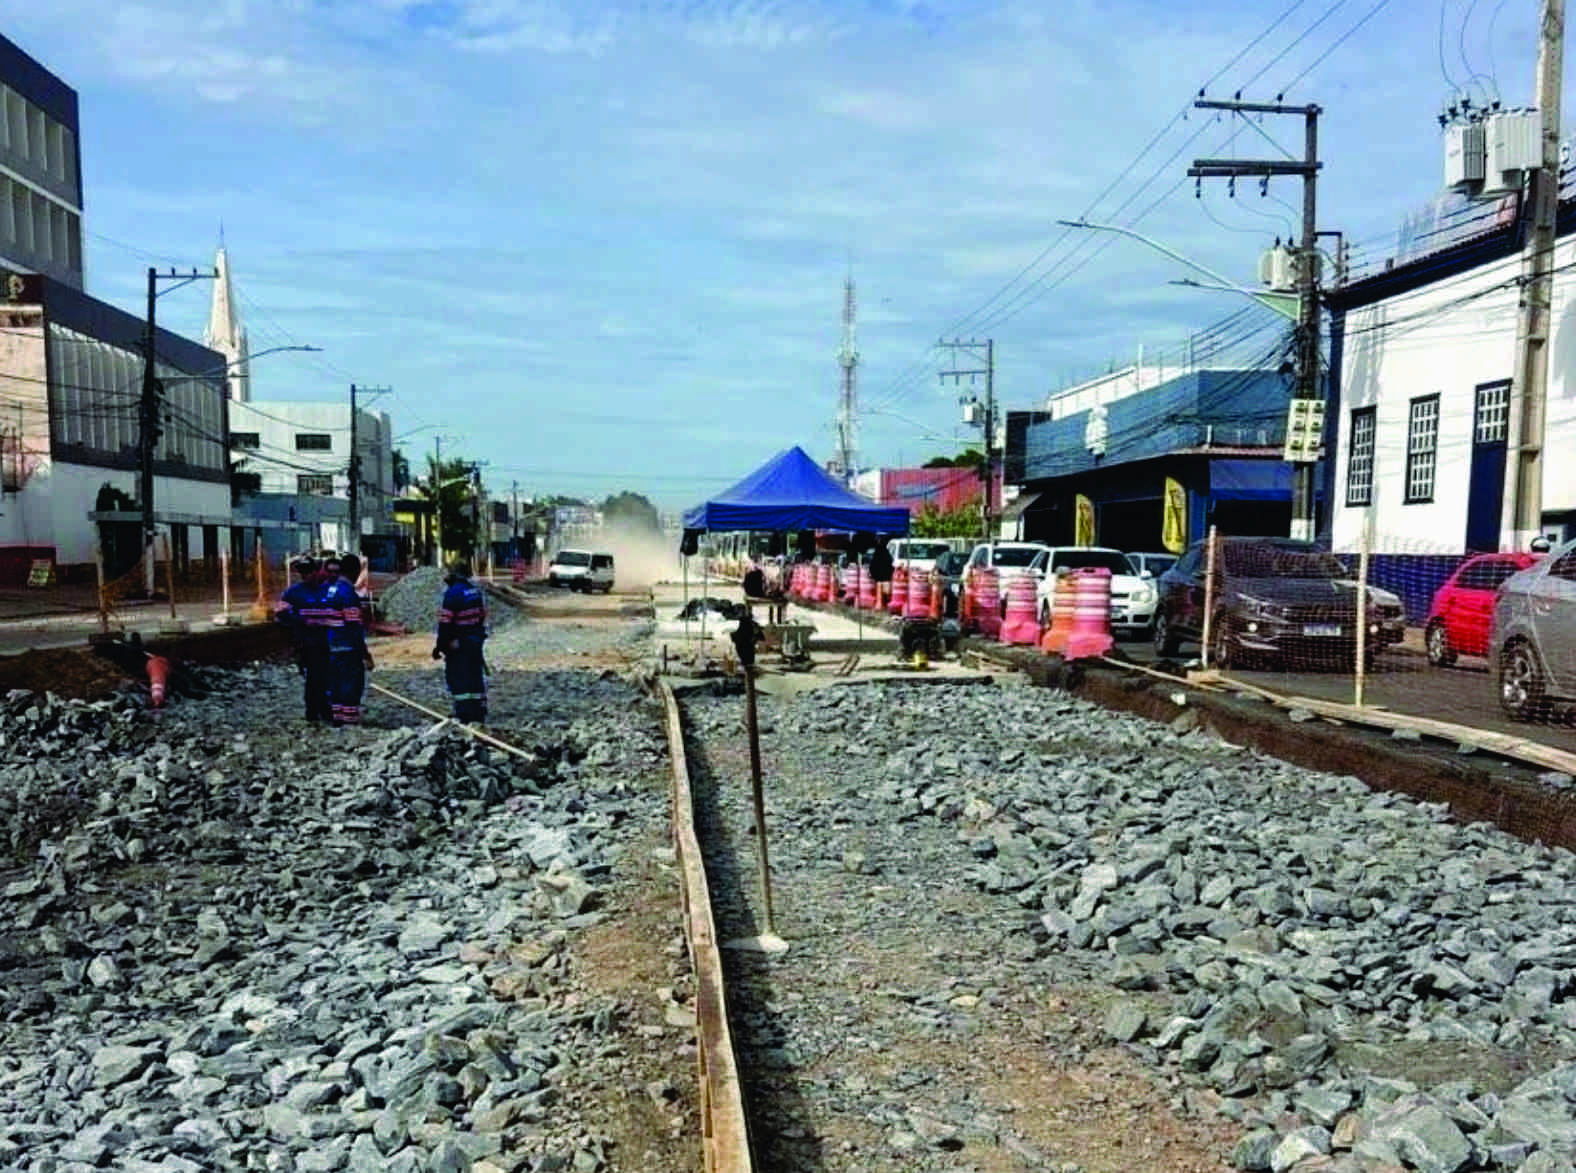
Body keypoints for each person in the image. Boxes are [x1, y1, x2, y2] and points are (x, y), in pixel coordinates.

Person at [277, 555, 332, 723]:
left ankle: (326, 709)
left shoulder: (328, 591)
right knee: (314, 678)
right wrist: (303, 621)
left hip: (327, 641)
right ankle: (314, 712)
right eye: (303, 572)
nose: (306, 575)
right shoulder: (293, 593)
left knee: (326, 678)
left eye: (309, 572)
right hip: (307, 642)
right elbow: (281, 614)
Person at [434, 558, 488, 724]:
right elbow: (481, 617)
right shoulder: (475, 591)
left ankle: (464, 713)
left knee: (459, 678)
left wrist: (440, 646)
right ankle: (478, 711)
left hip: (458, 645)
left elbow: (445, 623)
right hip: (474, 642)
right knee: (474, 676)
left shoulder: (452, 594)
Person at [324, 554, 374, 726]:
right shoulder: (348, 594)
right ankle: (349, 720)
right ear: (355, 571)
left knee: (335, 683)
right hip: (348, 648)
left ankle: (337, 718)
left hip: (332, 645)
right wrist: (365, 654)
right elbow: (354, 628)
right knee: (351, 684)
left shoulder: (332, 590)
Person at [869, 536, 894, 607]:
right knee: (884, 590)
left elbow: (873, 564)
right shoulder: (886, 553)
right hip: (884, 575)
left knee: (881, 589)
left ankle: (880, 603)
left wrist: (873, 574)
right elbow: (890, 563)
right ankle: (882, 603)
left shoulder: (878, 553)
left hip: (880, 576)